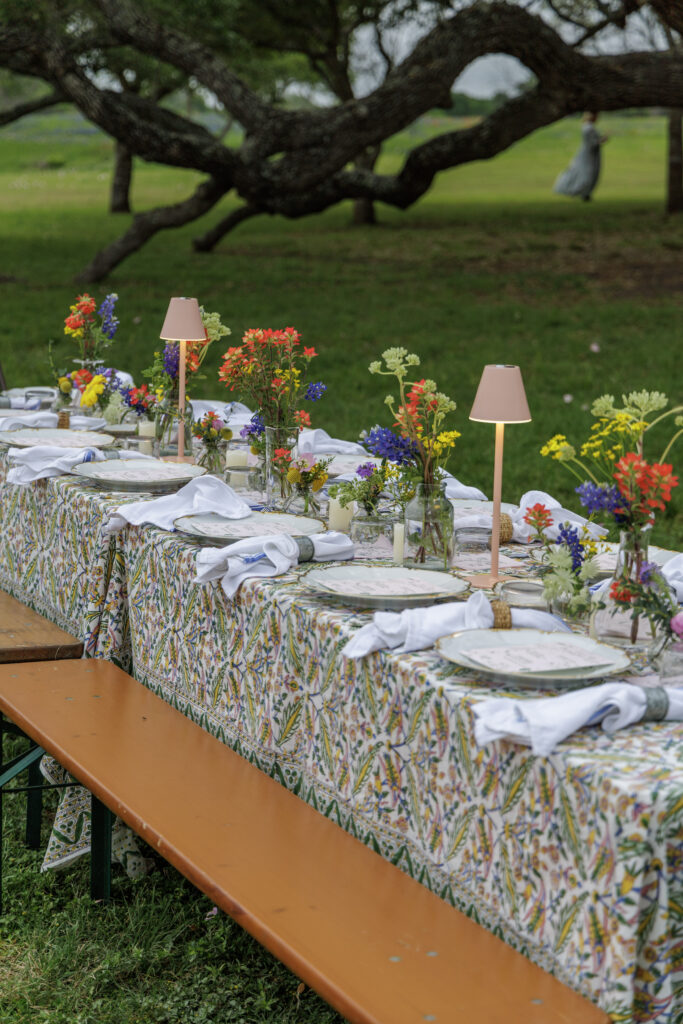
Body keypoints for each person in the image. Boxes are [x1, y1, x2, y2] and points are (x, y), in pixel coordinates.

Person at [553, 112, 608, 201]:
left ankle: (584, 193)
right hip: (589, 155)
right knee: (587, 173)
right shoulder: (589, 128)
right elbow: (592, 143)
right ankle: (582, 192)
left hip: (588, 154)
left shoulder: (587, 126)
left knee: (582, 172)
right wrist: (602, 140)